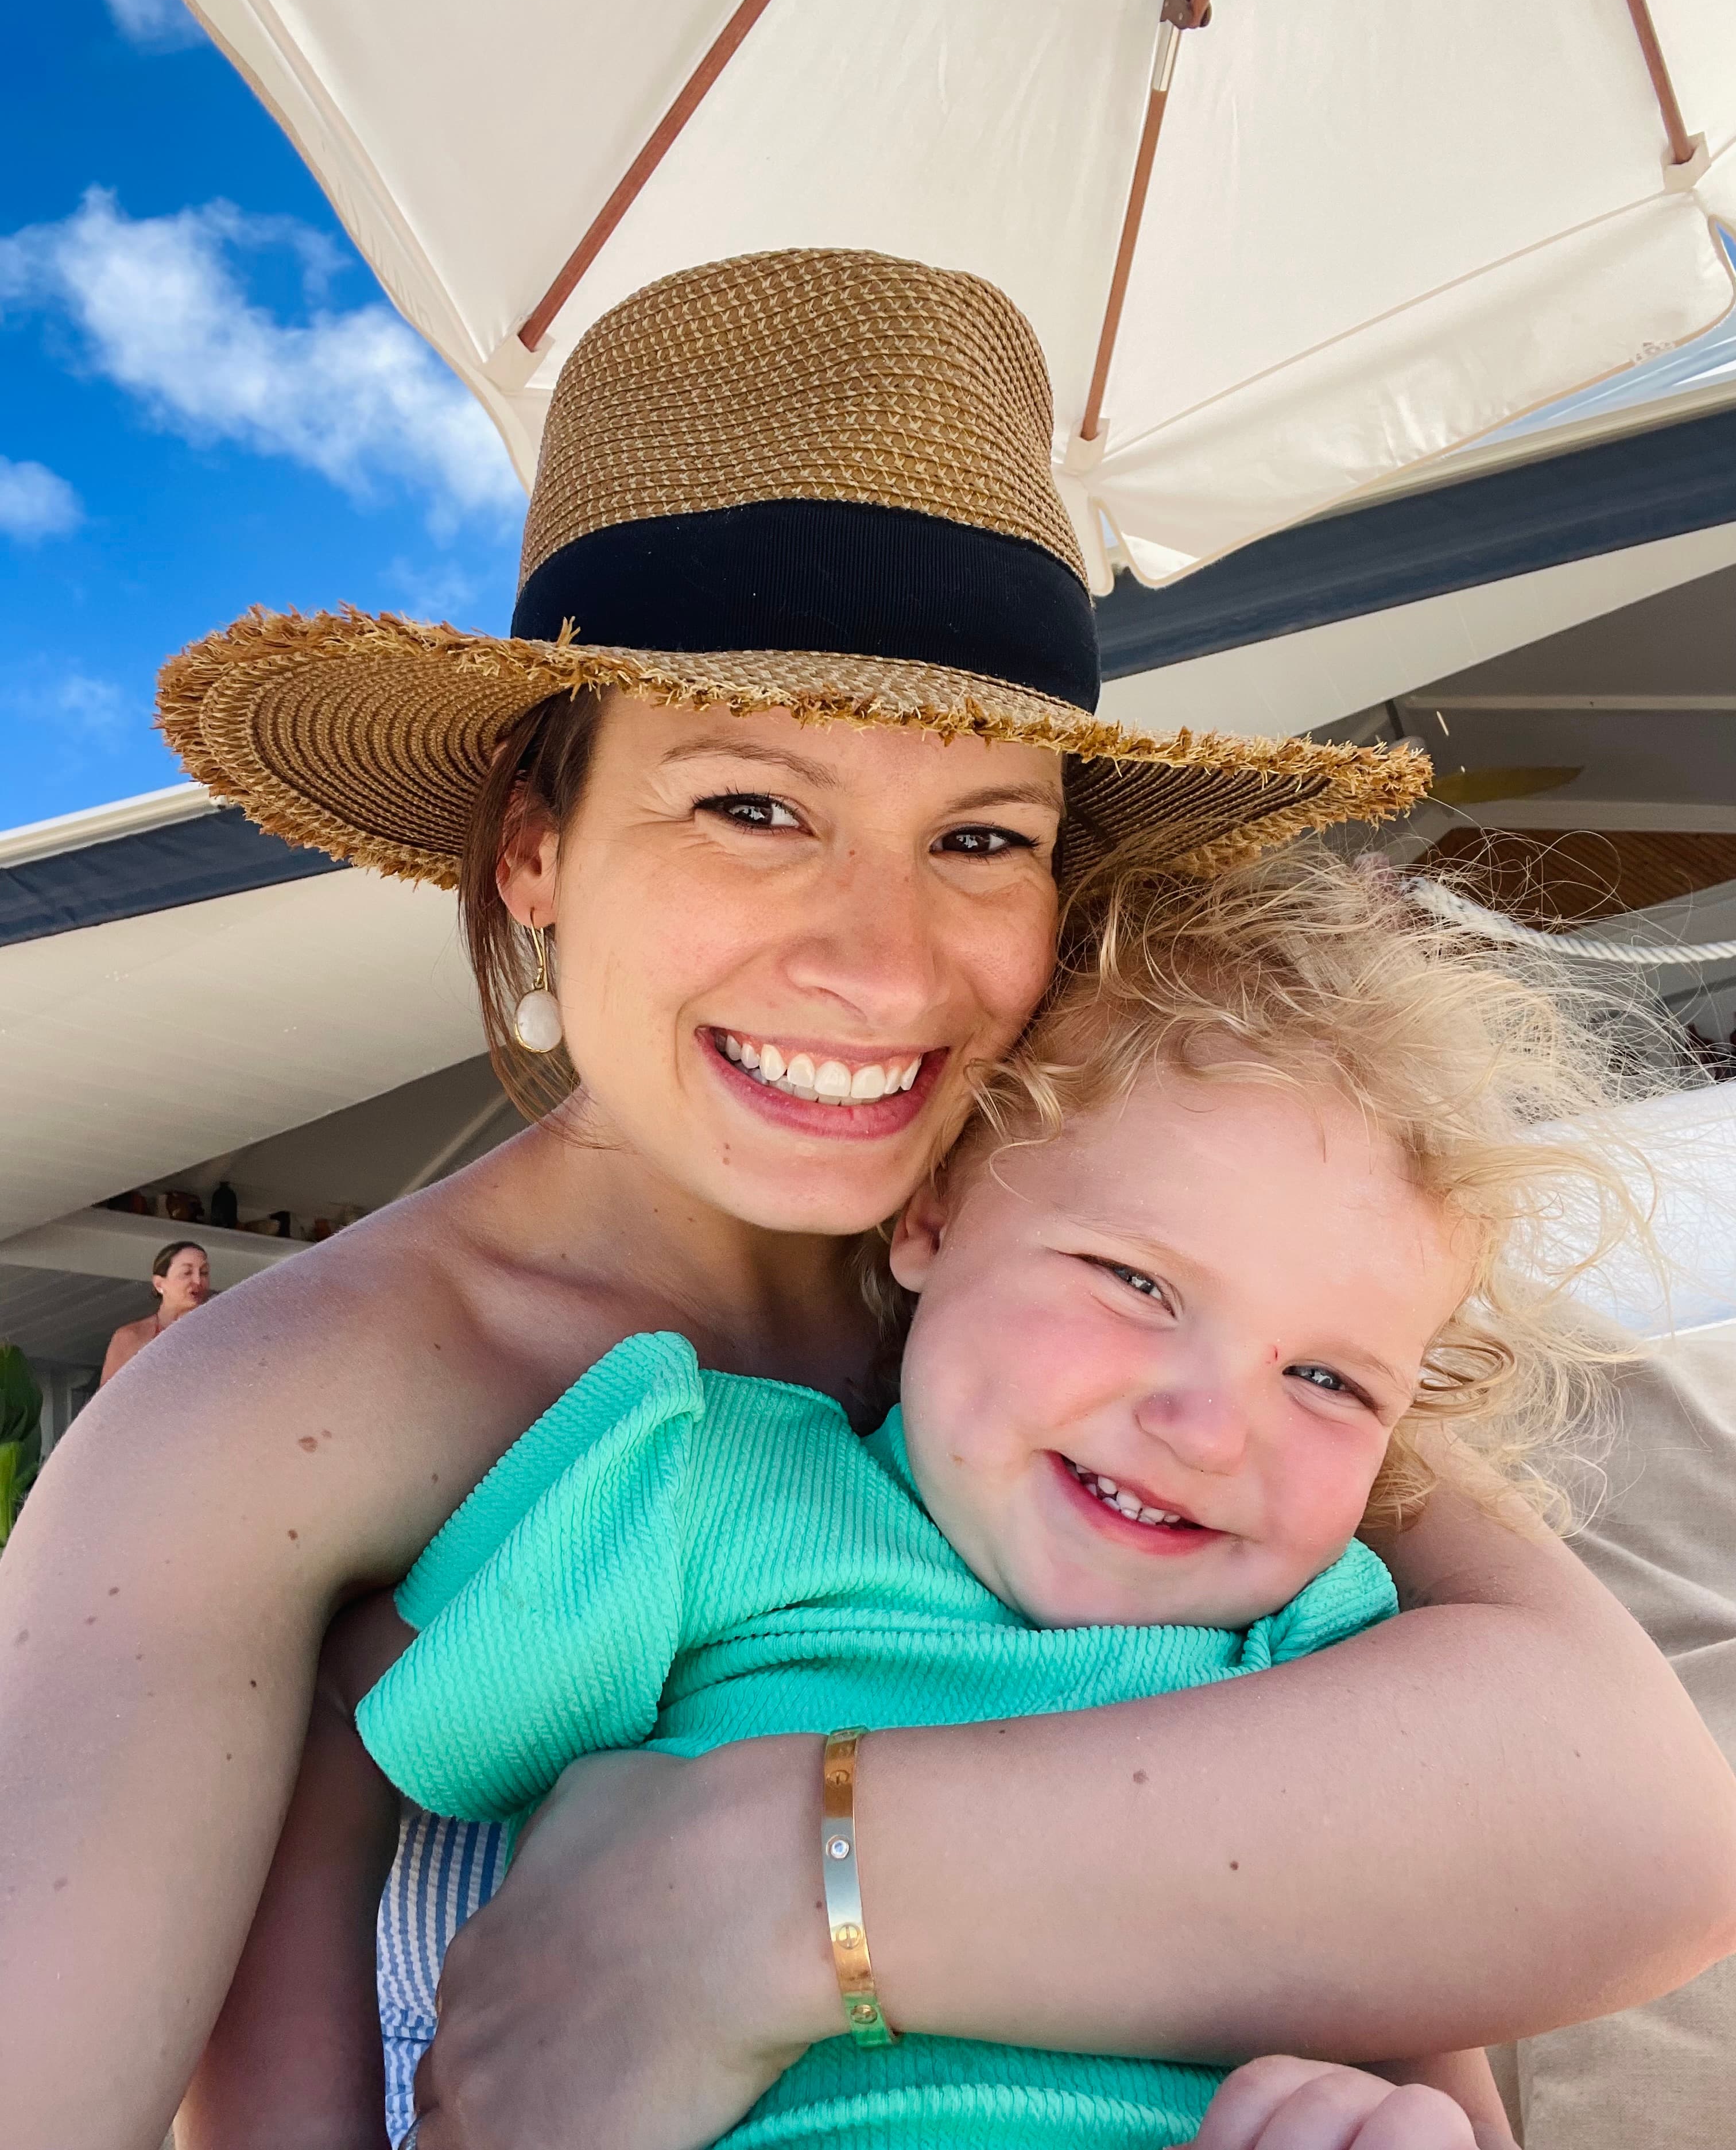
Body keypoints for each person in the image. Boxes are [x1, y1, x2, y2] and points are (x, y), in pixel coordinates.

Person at [2, 250, 1732, 2150]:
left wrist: (775, 1886)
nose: (883, 962)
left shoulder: (1168, 1288)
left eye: (979, 837)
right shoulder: (257, 1426)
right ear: (534, 844)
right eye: (753, 807)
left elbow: (1625, 1825)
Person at [233, 841, 1644, 2148]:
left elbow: (1420, 1983)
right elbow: (338, 1759)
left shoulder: (1327, 1632)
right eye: (1137, 1284)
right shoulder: (697, 1487)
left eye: (1332, 1382)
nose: (1211, 1431)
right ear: (934, 1219)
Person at [98, 1239, 211, 1384]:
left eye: (204, 1272)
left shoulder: (216, 1334)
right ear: (159, 1284)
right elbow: (108, 1402)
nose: (198, 1280)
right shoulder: (131, 1336)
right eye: (187, 1273)